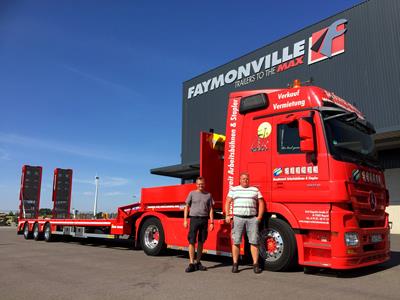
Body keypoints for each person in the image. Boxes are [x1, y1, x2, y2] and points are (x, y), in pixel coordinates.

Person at [225, 172, 265, 274]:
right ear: (240, 180)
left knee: (254, 241)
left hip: (252, 219)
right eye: (243, 179)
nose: (245, 180)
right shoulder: (234, 189)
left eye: (247, 179)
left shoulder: (255, 190)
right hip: (238, 218)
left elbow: (261, 202)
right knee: (236, 241)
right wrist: (228, 215)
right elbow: (228, 201)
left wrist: (259, 217)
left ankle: (255, 265)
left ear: (249, 180)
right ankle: (235, 264)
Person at [183, 177, 214, 272]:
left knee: (201, 241)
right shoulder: (192, 193)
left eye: (202, 184)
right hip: (194, 219)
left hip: (204, 220)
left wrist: (212, 222)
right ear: (196, 184)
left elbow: (211, 209)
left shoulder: (208, 195)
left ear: (204, 184)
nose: (201, 185)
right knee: (191, 241)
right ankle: (191, 263)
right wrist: (185, 220)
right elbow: (186, 207)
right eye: (199, 184)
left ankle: (198, 262)